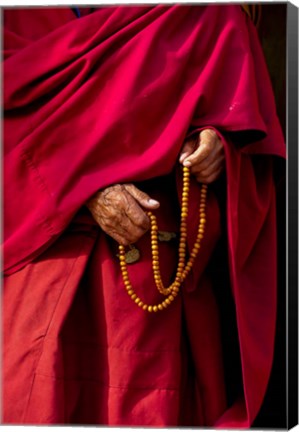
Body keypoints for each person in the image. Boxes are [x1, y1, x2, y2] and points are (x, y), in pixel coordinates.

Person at [3, 4, 286, 428]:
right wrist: (82, 185)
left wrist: (217, 145)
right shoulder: (17, 17)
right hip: (48, 268)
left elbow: (244, 127)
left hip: (159, 286)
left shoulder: (208, 12)